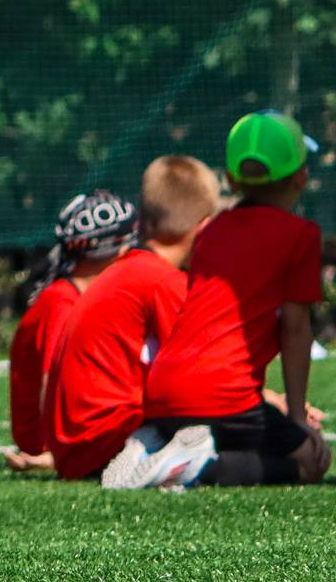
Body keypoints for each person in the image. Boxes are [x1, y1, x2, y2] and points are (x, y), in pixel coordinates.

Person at [115, 111, 331, 489]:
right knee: (310, 464)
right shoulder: (301, 235)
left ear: (230, 179)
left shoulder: (212, 231)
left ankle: (156, 444)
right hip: (224, 397)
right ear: (301, 176)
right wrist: (296, 416)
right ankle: (195, 467)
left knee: (240, 437)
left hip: (163, 391)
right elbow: (296, 330)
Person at [44, 156, 219, 482]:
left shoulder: (125, 271)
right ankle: (148, 453)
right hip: (107, 443)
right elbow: (202, 378)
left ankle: (150, 450)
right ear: (205, 227)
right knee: (279, 453)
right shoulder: (163, 281)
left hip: (75, 450)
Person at [4, 190, 137, 472]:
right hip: (54, 439)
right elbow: (50, 382)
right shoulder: (63, 302)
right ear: (116, 249)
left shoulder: (74, 295)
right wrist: (57, 451)